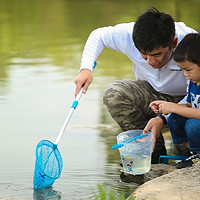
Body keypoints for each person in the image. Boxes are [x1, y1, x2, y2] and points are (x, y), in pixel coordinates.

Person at [74, 7, 197, 163]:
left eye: (157, 54)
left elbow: (195, 96)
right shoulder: (127, 35)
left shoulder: (191, 44)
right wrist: (86, 68)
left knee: (184, 154)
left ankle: (184, 154)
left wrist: (163, 118)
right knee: (114, 93)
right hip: (151, 96)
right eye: (143, 55)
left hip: (188, 102)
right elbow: (98, 36)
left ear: (174, 43)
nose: (150, 62)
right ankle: (152, 155)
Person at [150, 33, 200, 168]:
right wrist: (167, 106)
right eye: (182, 69)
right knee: (174, 118)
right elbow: (190, 104)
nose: (185, 74)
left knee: (193, 125)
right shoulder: (194, 83)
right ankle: (192, 153)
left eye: (188, 69)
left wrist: (173, 108)